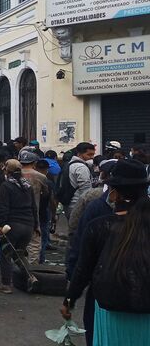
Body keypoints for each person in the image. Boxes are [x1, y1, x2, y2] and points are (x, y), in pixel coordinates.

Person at [62, 159, 150, 346]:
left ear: (114, 192)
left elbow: (83, 270)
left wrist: (69, 300)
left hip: (108, 308)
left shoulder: (99, 226)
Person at [0, 159, 38, 294]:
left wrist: (0, 225)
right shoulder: (27, 186)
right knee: (19, 253)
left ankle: (6, 284)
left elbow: (3, 208)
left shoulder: (6, 186)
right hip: (28, 225)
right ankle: (31, 277)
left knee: (6, 254)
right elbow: (34, 207)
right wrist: (36, 225)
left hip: (12, 225)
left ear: (7, 171)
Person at [19, 150, 48, 264]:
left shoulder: (14, 175)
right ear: (34, 163)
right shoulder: (41, 177)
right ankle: (32, 269)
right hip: (33, 212)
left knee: (18, 243)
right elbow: (46, 194)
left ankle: (19, 267)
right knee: (34, 243)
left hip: (15, 213)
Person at [35, 159, 57, 263]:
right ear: (47, 169)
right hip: (44, 212)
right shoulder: (47, 181)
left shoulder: (29, 179)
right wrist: (54, 215)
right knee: (43, 238)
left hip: (30, 212)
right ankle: (41, 260)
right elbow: (52, 201)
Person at [65, 142, 96, 217]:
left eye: (93, 154)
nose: (92, 157)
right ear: (79, 154)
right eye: (89, 154)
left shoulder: (70, 164)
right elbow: (86, 189)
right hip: (79, 206)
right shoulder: (81, 167)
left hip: (70, 204)